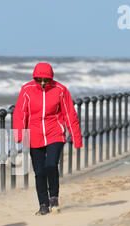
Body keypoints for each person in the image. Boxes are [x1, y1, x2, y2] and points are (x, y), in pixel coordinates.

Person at [13, 62, 83, 215]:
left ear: (51, 78)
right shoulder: (26, 90)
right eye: (39, 80)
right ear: (35, 78)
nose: (43, 83)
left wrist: (76, 138)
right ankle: (43, 205)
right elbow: (20, 113)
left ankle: (54, 197)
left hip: (55, 133)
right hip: (34, 135)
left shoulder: (60, 90)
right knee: (39, 172)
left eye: (46, 80)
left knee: (51, 165)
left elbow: (69, 114)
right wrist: (19, 135)